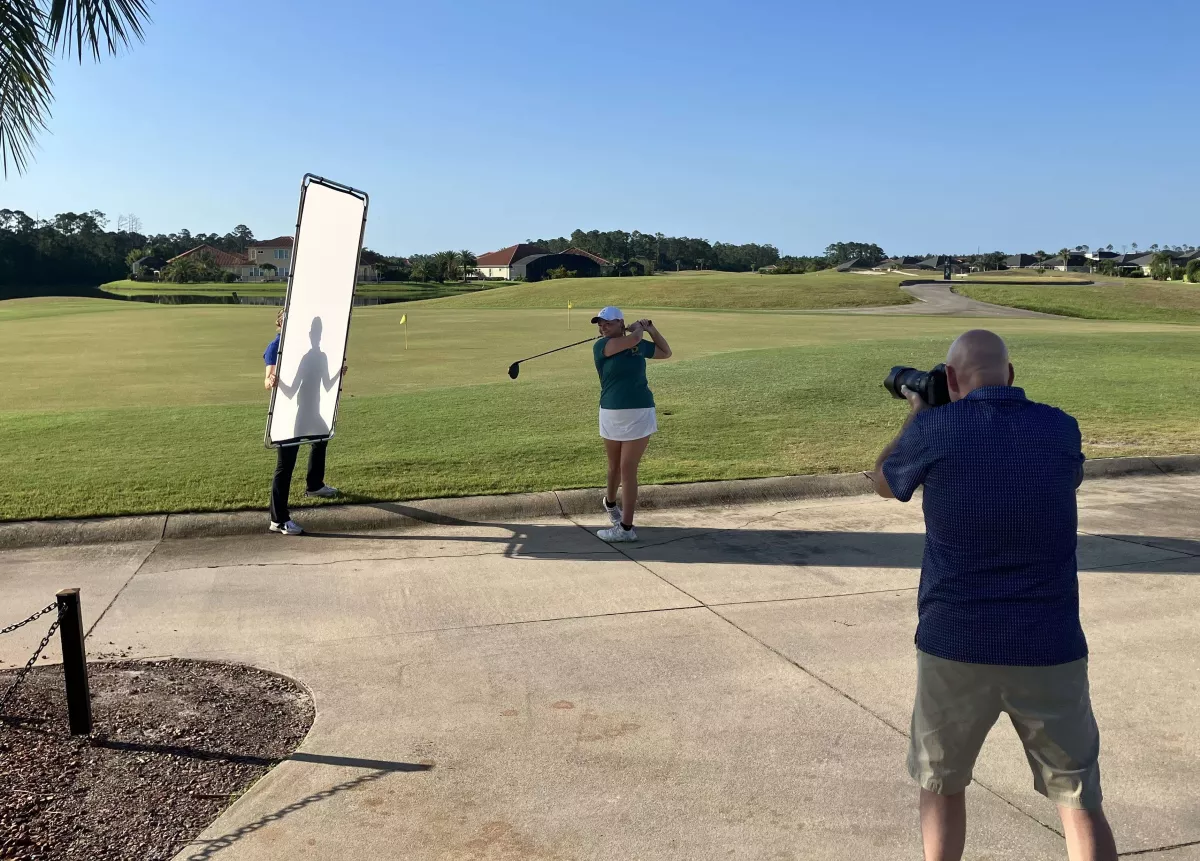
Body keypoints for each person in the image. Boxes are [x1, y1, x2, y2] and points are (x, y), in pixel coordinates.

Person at [873, 329, 1117, 861]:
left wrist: (918, 411)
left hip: (953, 638)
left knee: (941, 784)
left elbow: (885, 481)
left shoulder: (935, 429)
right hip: (1049, 641)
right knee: (1077, 795)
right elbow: (1064, 479)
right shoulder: (1060, 428)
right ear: (1011, 375)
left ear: (952, 379)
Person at [591, 306, 672, 543]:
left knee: (627, 468)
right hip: (611, 412)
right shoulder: (601, 346)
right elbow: (634, 338)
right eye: (600, 324)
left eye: (608, 323)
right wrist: (638, 329)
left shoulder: (636, 346)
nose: (602, 327)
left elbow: (665, 352)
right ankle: (610, 503)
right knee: (613, 465)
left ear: (620, 323)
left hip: (640, 411)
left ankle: (625, 528)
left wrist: (651, 329)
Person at [264, 309, 341, 535]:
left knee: (321, 437)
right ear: (280, 324)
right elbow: (270, 383)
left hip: (313, 412)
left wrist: (338, 373)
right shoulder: (275, 347)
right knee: (285, 466)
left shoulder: (304, 352)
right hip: (291, 416)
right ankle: (278, 520)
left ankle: (315, 485)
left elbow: (326, 385)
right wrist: (272, 380)